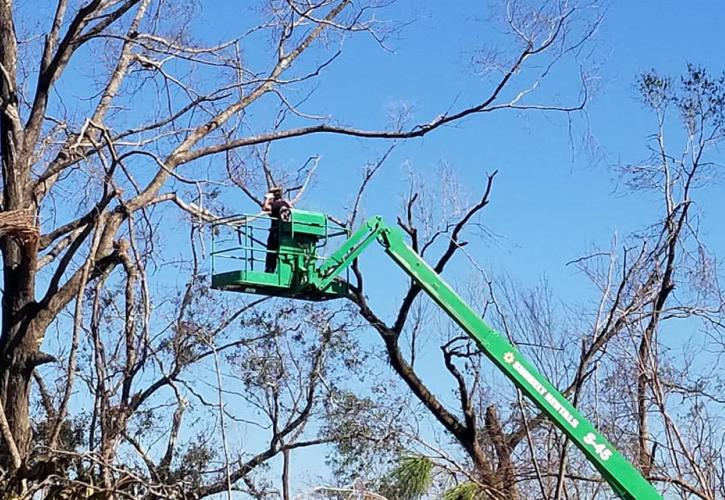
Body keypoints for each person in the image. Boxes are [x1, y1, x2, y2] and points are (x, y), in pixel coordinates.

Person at [262, 186, 292, 273]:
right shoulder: (285, 204)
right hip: (285, 233)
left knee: (272, 251)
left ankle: (270, 269)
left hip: (275, 232)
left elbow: (265, 208)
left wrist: (267, 199)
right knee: (282, 251)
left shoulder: (275, 205)